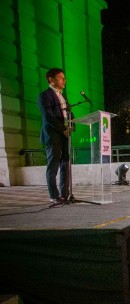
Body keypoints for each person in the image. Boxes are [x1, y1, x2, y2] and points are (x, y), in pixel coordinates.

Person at [38, 67, 71, 206]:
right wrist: (63, 128)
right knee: (53, 167)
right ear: (51, 79)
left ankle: (65, 194)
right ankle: (54, 196)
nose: (64, 80)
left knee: (65, 165)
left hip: (65, 135)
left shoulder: (63, 96)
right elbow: (48, 116)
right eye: (61, 77)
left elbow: (70, 113)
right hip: (53, 136)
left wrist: (71, 126)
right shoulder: (44, 95)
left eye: (64, 78)